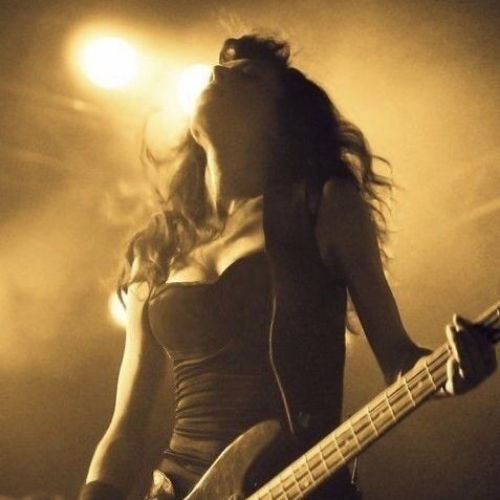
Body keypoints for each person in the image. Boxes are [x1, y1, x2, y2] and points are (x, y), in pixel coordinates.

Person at [79, 34, 497, 500]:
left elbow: (400, 362)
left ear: (282, 120)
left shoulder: (322, 205)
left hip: (300, 483)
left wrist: (450, 373)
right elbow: (125, 428)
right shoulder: (159, 245)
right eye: (220, 70)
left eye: (248, 76)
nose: (217, 75)